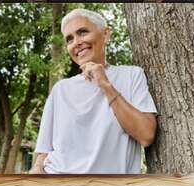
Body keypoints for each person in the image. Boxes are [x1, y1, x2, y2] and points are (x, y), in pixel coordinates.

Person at [29, 8, 157, 174]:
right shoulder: (60, 89)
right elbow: (44, 151)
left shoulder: (132, 75)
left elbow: (146, 135)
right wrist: (37, 170)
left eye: (82, 32)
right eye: (69, 39)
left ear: (105, 35)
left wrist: (105, 84)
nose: (76, 42)